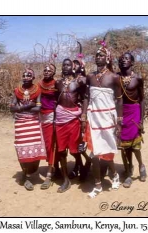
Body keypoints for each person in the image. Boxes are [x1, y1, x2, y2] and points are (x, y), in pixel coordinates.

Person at [82, 41, 123, 198]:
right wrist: (84, 115)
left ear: (107, 59)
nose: (98, 57)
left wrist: (119, 121)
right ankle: (98, 184)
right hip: (94, 118)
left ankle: (114, 175)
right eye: (96, 55)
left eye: (101, 55)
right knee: (95, 153)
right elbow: (86, 97)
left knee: (107, 151)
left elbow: (119, 100)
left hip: (108, 118)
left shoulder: (114, 77)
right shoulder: (90, 77)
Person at [10, 68, 47, 191]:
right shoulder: (17, 91)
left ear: (33, 77)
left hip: (33, 123)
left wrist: (23, 106)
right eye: (24, 75)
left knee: (35, 148)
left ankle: (31, 173)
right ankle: (25, 177)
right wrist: (29, 106)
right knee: (21, 148)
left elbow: (38, 109)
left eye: (28, 75)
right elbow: (12, 108)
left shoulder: (37, 90)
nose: (26, 77)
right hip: (21, 123)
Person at [54, 58, 87, 193]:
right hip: (60, 119)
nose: (65, 67)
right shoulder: (58, 83)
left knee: (74, 149)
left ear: (73, 67)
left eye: (68, 65)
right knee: (61, 150)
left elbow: (85, 98)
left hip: (74, 118)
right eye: (64, 65)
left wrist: (83, 115)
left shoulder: (79, 82)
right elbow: (54, 100)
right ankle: (66, 180)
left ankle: (84, 165)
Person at [118, 52, 146, 188]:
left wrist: (142, 121)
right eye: (122, 59)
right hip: (121, 113)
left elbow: (142, 99)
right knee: (124, 147)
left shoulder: (138, 78)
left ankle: (141, 165)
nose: (124, 61)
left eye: (127, 59)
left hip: (134, 112)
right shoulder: (116, 78)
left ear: (132, 62)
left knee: (135, 146)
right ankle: (129, 172)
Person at [38, 63, 60, 189]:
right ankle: (55, 167)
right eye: (45, 70)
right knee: (46, 144)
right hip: (41, 117)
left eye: (49, 70)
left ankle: (49, 174)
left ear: (53, 72)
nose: (46, 72)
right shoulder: (39, 84)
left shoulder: (56, 84)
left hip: (53, 116)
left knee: (52, 144)